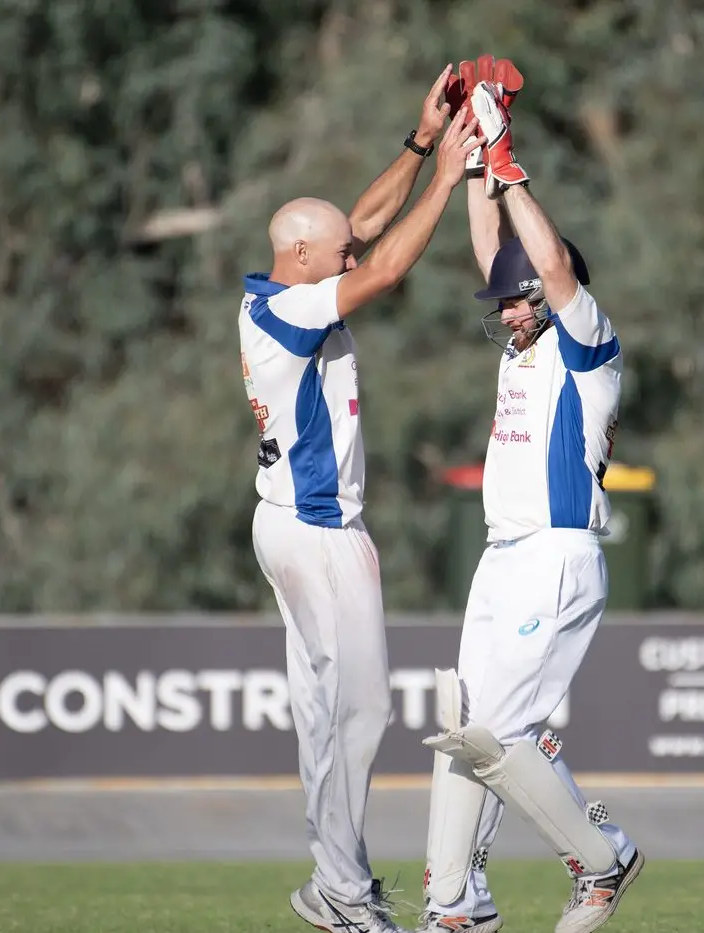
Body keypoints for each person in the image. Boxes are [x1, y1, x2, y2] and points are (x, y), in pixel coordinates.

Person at [238, 66, 483, 933]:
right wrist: (450, 179)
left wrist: (421, 140)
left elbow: (362, 230)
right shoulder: (287, 315)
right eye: (332, 251)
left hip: (289, 523)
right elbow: (376, 268)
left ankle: (331, 879)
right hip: (315, 530)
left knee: (323, 709)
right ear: (302, 258)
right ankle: (341, 890)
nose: (348, 250)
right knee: (364, 705)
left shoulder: (282, 291)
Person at [414, 61, 645, 933]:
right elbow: (498, 250)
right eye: (504, 305)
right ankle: (455, 904)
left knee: (496, 738)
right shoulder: (524, 344)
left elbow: (542, 263)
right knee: (465, 723)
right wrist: (477, 147)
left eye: (520, 302)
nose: (508, 313)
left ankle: (602, 858)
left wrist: (509, 162)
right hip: (503, 554)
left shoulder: (588, 343)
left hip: (555, 553)